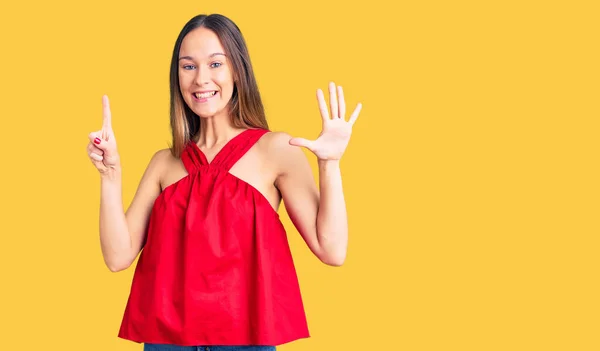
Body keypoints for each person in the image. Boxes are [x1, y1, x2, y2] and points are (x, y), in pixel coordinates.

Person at [86, 13, 362, 351]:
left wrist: (329, 163)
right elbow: (117, 257)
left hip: (246, 338)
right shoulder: (164, 162)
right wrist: (110, 175)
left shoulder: (276, 150)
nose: (201, 79)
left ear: (237, 70)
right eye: (188, 67)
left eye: (215, 63)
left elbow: (331, 249)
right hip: (166, 341)